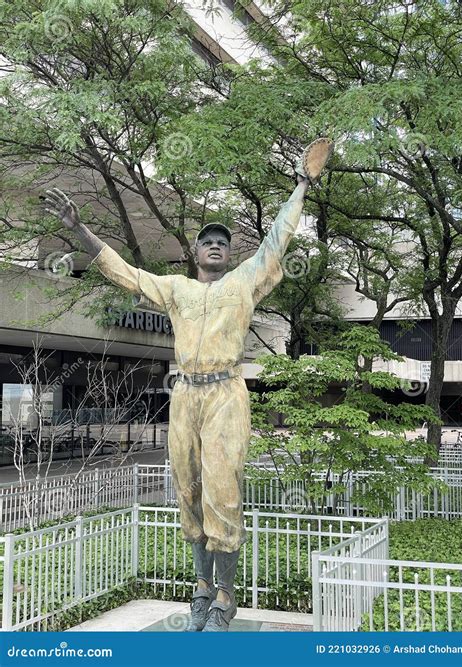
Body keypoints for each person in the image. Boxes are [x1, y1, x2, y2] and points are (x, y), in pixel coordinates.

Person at [43, 138, 333, 632]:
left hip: (226, 393)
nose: (215, 244)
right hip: (185, 395)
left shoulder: (244, 282)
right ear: (195, 252)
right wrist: (82, 232)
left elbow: (278, 239)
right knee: (187, 489)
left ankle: (225, 594)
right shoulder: (177, 290)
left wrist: (302, 185)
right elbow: (129, 276)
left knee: (222, 489)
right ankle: (201, 584)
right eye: (206, 240)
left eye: (222, 239)